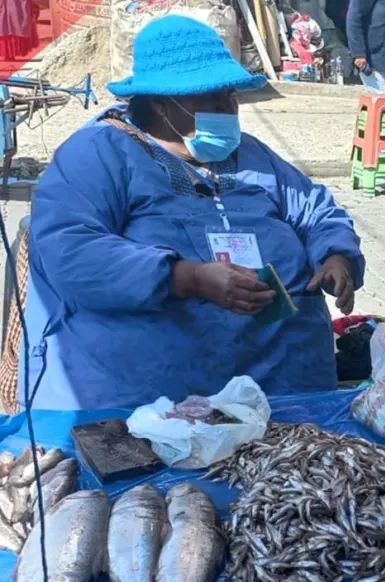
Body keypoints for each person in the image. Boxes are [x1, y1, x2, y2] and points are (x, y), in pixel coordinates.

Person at [21, 15, 365, 411]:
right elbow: (69, 250)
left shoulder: (251, 154)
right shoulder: (99, 153)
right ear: (160, 103)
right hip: (156, 402)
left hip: (287, 386)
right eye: (210, 99)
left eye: (229, 96)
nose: (227, 109)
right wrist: (186, 277)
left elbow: (317, 210)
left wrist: (336, 255)